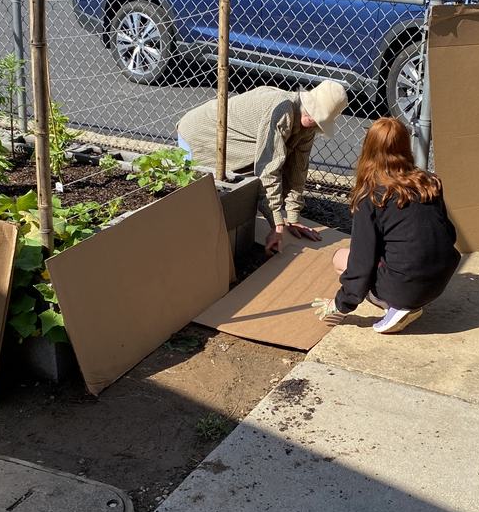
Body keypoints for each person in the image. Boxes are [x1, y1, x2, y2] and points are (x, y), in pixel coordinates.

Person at [312, 117, 460, 334]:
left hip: (404, 287)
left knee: (340, 257)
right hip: (441, 278)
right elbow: (448, 233)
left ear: (368, 148)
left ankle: (396, 306)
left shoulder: (371, 196)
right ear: (406, 145)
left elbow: (361, 261)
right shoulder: (429, 182)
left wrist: (341, 303)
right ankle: (410, 297)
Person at [177, 81, 348, 255]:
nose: (313, 121)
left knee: (250, 190)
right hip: (199, 136)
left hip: (229, 144)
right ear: (308, 102)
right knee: (204, 204)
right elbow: (267, 169)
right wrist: (277, 223)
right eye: (313, 114)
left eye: (319, 120)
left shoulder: (308, 127)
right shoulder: (282, 110)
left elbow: (298, 169)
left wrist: (293, 217)